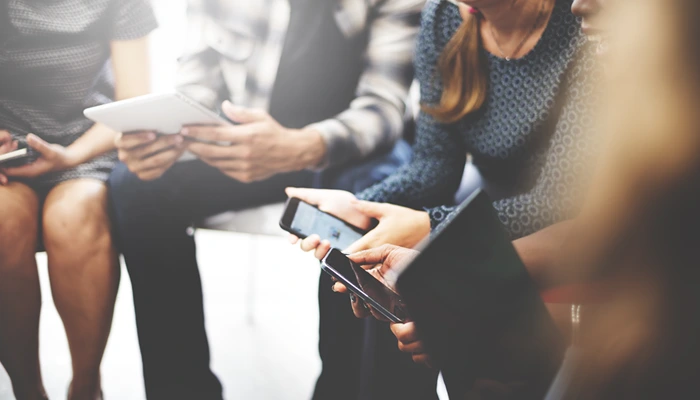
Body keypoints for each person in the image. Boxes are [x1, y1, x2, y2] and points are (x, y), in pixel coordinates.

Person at [108, 1, 430, 399]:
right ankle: (182, 390)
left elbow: (383, 107)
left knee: (375, 208)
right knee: (135, 185)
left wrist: (301, 146)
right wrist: (170, 135)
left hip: (350, 150)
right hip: (245, 144)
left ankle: (344, 390)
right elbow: (197, 76)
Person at [290, 0, 597, 379]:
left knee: (411, 279)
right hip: (487, 199)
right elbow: (435, 164)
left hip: (564, 216)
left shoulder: (585, 23)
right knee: (356, 265)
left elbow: (555, 206)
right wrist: (365, 206)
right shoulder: (443, 16)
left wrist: (431, 225)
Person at [0, 1, 156, 399]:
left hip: (88, 142)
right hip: (7, 151)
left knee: (76, 216)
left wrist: (71, 155)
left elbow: (132, 102)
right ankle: (26, 390)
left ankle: (86, 385)